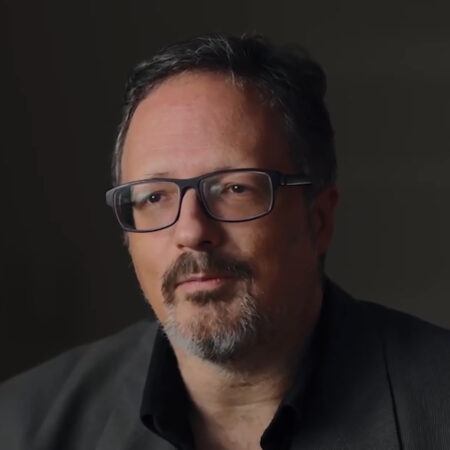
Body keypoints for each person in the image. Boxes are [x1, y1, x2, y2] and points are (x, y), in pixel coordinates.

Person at [1, 33, 449, 450]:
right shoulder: (21, 425)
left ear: (319, 219)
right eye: (155, 196)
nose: (192, 231)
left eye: (235, 189)